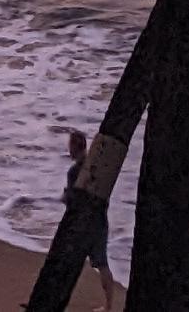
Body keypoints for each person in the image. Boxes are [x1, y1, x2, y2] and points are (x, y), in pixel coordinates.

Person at [58, 126, 122, 310]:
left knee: (70, 263)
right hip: (99, 221)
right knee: (102, 264)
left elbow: (72, 200)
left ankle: (60, 299)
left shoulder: (74, 172)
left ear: (73, 148)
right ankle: (109, 305)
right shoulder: (96, 168)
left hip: (81, 224)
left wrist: (64, 196)